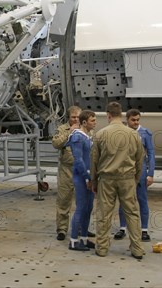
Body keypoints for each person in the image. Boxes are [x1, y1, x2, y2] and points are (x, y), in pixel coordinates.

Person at [90, 102, 145, 259]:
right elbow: (140, 159)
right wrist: (135, 178)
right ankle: (137, 249)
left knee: (104, 214)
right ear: (121, 115)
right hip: (127, 179)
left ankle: (101, 248)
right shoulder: (133, 134)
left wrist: (94, 181)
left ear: (108, 115)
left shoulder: (100, 134)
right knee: (132, 214)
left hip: (106, 180)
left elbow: (94, 160)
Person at [114, 109, 156, 242]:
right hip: (125, 172)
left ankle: (144, 230)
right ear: (127, 120)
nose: (136, 122)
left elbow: (151, 153)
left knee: (142, 200)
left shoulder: (145, 133)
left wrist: (151, 173)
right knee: (124, 201)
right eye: (133, 120)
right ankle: (122, 228)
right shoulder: (122, 132)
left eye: (138, 120)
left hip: (141, 172)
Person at [67, 110, 96, 251]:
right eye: (92, 120)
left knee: (88, 208)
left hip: (89, 177)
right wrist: (86, 178)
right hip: (81, 177)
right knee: (81, 208)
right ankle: (73, 240)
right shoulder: (77, 137)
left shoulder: (87, 136)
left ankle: (84, 238)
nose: (95, 122)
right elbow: (78, 160)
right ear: (84, 122)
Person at [51, 105, 81, 241]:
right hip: (67, 169)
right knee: (63, 200)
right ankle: (62, 229)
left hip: (82, 169)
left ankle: (82, 227)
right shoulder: (62, 129)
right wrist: (70, 132)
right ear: (69, 117)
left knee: (83, 202)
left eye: (78, 117)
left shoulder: (85, 129)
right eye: (73, 117)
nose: (76, 120)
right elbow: (56, 143)